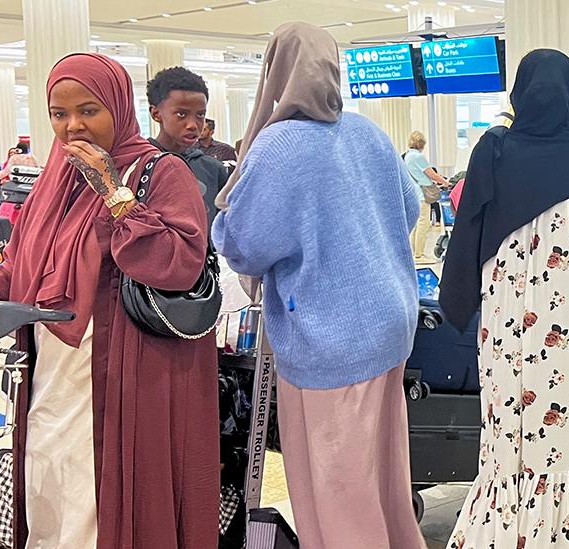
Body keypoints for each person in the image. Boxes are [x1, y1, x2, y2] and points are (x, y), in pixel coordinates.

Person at [0, 53, 218, 548]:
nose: (72, 126)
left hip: (124, 365)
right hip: (50, 367)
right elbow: (22, 267)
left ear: (119, 108)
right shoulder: (53, 182)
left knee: (99, 497)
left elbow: (176, 262)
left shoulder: (161, 172)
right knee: (49, 488)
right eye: (59, 114)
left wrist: (111, 188)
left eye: (88, 110)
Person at [212, 23, 426, 549]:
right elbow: (412, 205)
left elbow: (244, 244)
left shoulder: (278, 147)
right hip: (390, 325)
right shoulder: (367, 132)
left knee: (338, 491)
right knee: (385, 476)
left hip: (329, 339)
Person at [440, 49, 569, 549]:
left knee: (511, 442)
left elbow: (468, 241)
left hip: (505, 328)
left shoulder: (493, 152)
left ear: (518, 92)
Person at [146, 66, 228, 226]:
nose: (192, 125)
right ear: (156, 114)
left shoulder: (213, 169)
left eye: (200, 115)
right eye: (181, 114)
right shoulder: (140, 165)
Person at [404, 130, 450, 263]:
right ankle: (420, 255)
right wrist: (445, 182)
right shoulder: (418, 156)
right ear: (421, 144)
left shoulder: (408, 156)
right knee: (424, 224)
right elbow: (432, 174)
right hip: (422, 194)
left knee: (417, 224)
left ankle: (415, 254)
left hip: (414, 192)